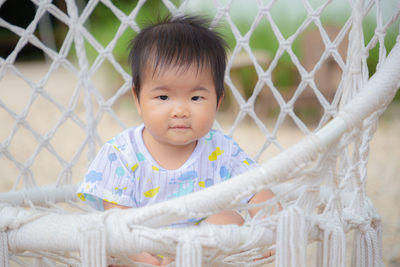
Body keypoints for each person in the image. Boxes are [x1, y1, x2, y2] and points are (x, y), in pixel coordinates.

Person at [77, 15, 276, 266]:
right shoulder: (121, 153)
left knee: (230, 218)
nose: (180, 110)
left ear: (218, 100)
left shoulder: (221, 150)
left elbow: (256, 189)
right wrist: (138, 253)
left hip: (201, 252)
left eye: (196, 98)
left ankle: (182, 258)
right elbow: (117, 217)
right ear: (138, 100)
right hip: (143, 246)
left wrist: (273, 228)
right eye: (163, 97)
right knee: (108, 241)